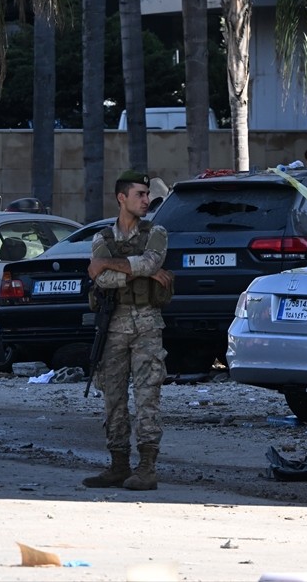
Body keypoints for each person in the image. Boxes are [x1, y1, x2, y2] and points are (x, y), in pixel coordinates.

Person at [82, 170, 174, 491]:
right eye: (140, 195)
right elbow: (101, 278)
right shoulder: (102, 239)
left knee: (148, 395)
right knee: (114, 398)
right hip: (114, 325)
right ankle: (118, 465)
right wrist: (138, 271)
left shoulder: (156, 232)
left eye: (147, 195)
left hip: (148, 324)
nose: (147, 200)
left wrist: (111, 264)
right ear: (122, 198)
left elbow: (151, 263)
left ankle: (147, 468)